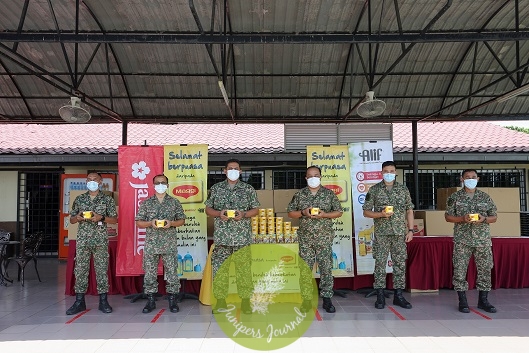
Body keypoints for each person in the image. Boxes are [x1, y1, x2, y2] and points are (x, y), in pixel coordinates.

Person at [205, 159, 260, 314]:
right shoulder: (216, 189)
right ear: (224, 171)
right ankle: (220, 301)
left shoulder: (248, 189)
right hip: (222, 238)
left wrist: (243, 214)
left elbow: (255, 210)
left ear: (241, 171)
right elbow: (208, 209)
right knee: (220, 270)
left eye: (236, 168)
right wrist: (218, 213)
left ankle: (245, 302)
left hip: (242, 238)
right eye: (230, 168)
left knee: (244, 271)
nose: (233, 171)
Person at [287, 166, 343, 313]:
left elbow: (338, 212)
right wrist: (303, 212)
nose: (313, 178)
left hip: (324, 238)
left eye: (316, 175)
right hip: (306, 238)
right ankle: (306, 300)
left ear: (320, 177)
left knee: (326, 268)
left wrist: (324, 214)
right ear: (306, 178)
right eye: (310, 176)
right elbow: (291, 213)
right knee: (305, 270)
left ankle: (327, 299)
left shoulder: (329, 194)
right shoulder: (300, 195)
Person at [362, 161, 414, 310]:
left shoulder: (403, 189)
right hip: (382, 234)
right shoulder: (374, 190)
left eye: (392, 171)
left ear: (396, 172)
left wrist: (410, 230)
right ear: (381, 173)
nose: (389, 173)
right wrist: (380, 214)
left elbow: (409, 211)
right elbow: (366, 211)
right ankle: (380, 296)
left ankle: (399, 295)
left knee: (399, 264)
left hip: (399, 233)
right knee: (380, 264)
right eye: (386, 171)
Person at [445, 169, 498, 313]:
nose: (470, 179)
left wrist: (484, 219)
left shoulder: (485, 197)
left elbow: (494, 217)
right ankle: (462, 301)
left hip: (482, 240)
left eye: (473, 177)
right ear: (461, 179)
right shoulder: (454, 197)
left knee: (485, 269)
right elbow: (448, 217)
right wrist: (462, 219)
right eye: (467, 177)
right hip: (463, 240)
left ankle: (483, 300)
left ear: (478, 179)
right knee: (460, 270)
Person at [66, 172, 117, 315]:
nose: (92, 182)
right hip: (83, 240)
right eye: (89, 179)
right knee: (80, 269)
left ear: (101, 182)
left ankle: (103, 301)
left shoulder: (107, 200)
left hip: (100, 239)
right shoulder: (80, 199)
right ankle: (79, 301)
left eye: (95, 180)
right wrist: (78, 217)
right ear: (86, 181)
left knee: (101, 270)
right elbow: (71, 220)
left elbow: (114, 220)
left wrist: (101, 217)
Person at [135, 174, 186, 313]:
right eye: (157, 183)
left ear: (168, 185)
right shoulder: (147, 202)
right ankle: (150, 300)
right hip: (152, 244)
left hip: (169, 243)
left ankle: (172, 300)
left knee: (172, 273)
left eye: (163, 183)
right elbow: (139, 222)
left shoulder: (174, 202)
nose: (160, 185)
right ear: (153, 185)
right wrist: (150, 223)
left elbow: (182, 220)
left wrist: (171, 223)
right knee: (150, 273)